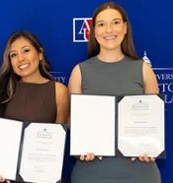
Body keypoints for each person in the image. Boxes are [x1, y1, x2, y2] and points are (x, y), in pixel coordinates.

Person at [68, 2, 160, 183]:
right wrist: (80, 150)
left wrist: (151, 148)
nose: (109, 29)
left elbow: (154, 123)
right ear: (93, 31)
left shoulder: (144, 69)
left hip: (140, 173)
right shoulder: (79, 72)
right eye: (101, 24)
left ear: (125, 28)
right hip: (91, 174)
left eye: (116, 22)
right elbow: (74, 124)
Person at [0, 31, 70, 183]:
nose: (20, 59)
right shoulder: (3, 93)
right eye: (13, 55)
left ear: (40, 54)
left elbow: (57, 144)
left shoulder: (59, 91)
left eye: (26, 50)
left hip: (44, 178)